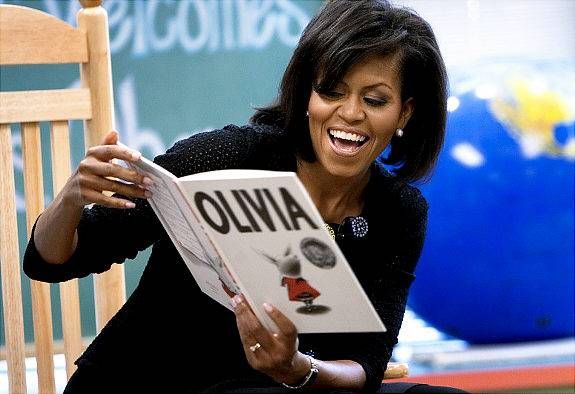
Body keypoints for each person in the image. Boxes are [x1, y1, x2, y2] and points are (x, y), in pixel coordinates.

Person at [23, 0, 467, 393]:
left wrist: (299, 370)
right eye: (331, 91)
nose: (350, 114)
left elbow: (366, 364)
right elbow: (53, 262)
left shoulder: (400, 211)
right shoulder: (224, 156)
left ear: (404, 112)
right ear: (306, 93)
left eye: (374, 99)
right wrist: (71, 199)